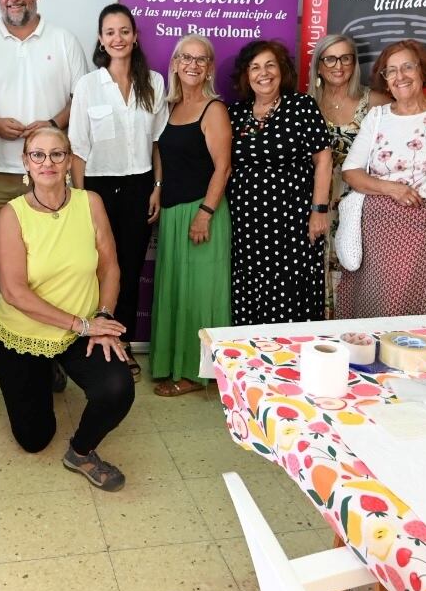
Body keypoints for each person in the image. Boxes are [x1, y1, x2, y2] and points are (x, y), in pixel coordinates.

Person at [0, 0, 91, 375]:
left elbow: (81, 96)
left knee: (53, 263)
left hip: (49, 171)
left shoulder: (65, 40)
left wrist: (52, 125)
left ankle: (51, 346)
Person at [0, 125, 134, 490]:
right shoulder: (12, 214)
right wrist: (83, 326)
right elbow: (14, 292)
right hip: (25, 333)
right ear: (26, 162)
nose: (48, 162)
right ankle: (46, 371)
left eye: (57, 154)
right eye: (38, 155)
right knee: (35, 439)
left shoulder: (90, 202)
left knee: (118, 387)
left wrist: (102, 315)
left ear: (69, 160)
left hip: (82, 326)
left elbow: (109, 266)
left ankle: (81, 453)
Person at [68, 3, 167, 366]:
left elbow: (157, 143)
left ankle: (121, 346)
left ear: (135, 36)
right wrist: (79, 200)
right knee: (97, 267)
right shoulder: (88, 85)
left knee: (130, 266)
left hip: (140, 185)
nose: (118, 38)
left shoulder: (153, 82)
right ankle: (93, 342)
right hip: (98, 189)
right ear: (100, 39)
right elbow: (77, 150)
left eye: (124, 31)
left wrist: (157, 186)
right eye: (110, 32)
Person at [338, 40, 426, 318]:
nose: (400, 76)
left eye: (408, 67)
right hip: (373, 227)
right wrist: (390, 188)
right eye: (390, 71)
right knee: (369, 305)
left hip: (421, 226)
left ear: (423, 71)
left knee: (406, 307)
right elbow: (351, 172)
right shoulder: (378, 116)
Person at [227, 40, 332, 324]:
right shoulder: (234, 114)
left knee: (288, 292)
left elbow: (323, 159)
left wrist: (319, 210)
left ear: (281, 69)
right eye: (255, 67)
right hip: (246, 226)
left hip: (292, 223)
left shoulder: (301, 106)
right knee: (250, 292)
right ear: (246, 75)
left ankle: (289, 360)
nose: (264, 73)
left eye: (270, 65)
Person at [150, 35, 232, 396]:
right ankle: (172, 363)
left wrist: (205, 213)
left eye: (201, 59)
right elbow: (159, 152)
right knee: (177, 292)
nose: (193, 65)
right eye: (186, 57)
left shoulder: (213, 109)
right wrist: (157, 187)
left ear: (210, 67)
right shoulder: (167, 107)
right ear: (175, 63)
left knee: (201, 296)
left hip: (203, 212)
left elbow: (223, 167)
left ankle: (197, 374)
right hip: (172, 212)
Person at [310, 34, 372, 317]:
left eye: (346, 58)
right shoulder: (306, 103)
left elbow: (415, 108)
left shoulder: (374, 103)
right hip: (314, 200)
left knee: (354, 264)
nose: (338, 65)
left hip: (357, 202)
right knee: (315, 268)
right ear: (319, 66)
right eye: (330, 59)